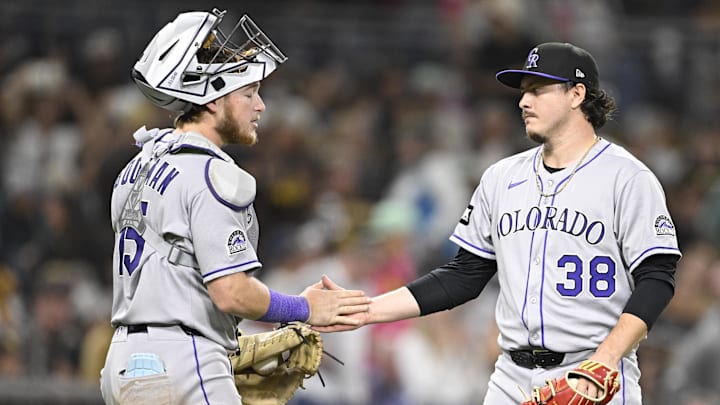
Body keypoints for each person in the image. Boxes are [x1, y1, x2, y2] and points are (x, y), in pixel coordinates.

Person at [318, 42, 682, 405]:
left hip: (591, 372)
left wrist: (605, 360)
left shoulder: (627, 177)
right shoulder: (501, 178)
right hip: (511, 377)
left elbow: (657, 277)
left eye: (538, 90)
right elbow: (464, 275)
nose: (524, 102)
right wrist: (367, 311)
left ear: (577, 94)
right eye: (524, 92)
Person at [99, 9, 369, 405]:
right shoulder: (212, 174)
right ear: (211, 101)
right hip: (183, 360)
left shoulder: (136, 165)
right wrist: (304, 308)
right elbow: (231, 293)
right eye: (248, 93)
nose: (259, 106)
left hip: (122, 364)